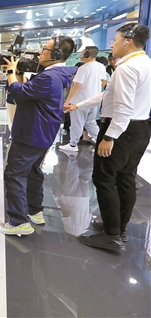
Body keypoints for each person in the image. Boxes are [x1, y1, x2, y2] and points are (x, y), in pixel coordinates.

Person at [64, 23, 151, 251]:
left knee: (103, 178)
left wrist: (110, 136)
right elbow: (107, 95)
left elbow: (123, 108)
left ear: (127, 41)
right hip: (140, 128)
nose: (112, 44)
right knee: (125, 177)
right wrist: (78, 105)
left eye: (115, 39)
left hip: (121, 130)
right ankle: (119, 227)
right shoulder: (145, 63)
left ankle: (111, 235)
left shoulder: (126, 68)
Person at [0, 36, 78, 235]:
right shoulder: (57, 75)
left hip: (31, 134)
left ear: (56, 54)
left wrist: (11, 72)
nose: (40, 53)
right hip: (43, 133)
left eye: (44, 49)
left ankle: (18, 222)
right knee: (33, 171)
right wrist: (19, 74)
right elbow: (29, 92)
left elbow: (19, 94)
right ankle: (35, 211)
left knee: (14, 174)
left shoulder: (48, 77)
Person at [59, 46, 106, 152]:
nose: (81, 54)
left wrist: (67, 101)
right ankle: (101, 141)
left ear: (87, 54)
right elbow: (102, 83)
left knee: (76, 124)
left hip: (79, 101)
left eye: (83, 52)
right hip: (94, 100)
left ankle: (73, 145)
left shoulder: (83, 68)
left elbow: (77, 86)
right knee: (90, 123)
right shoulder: (101, 67)